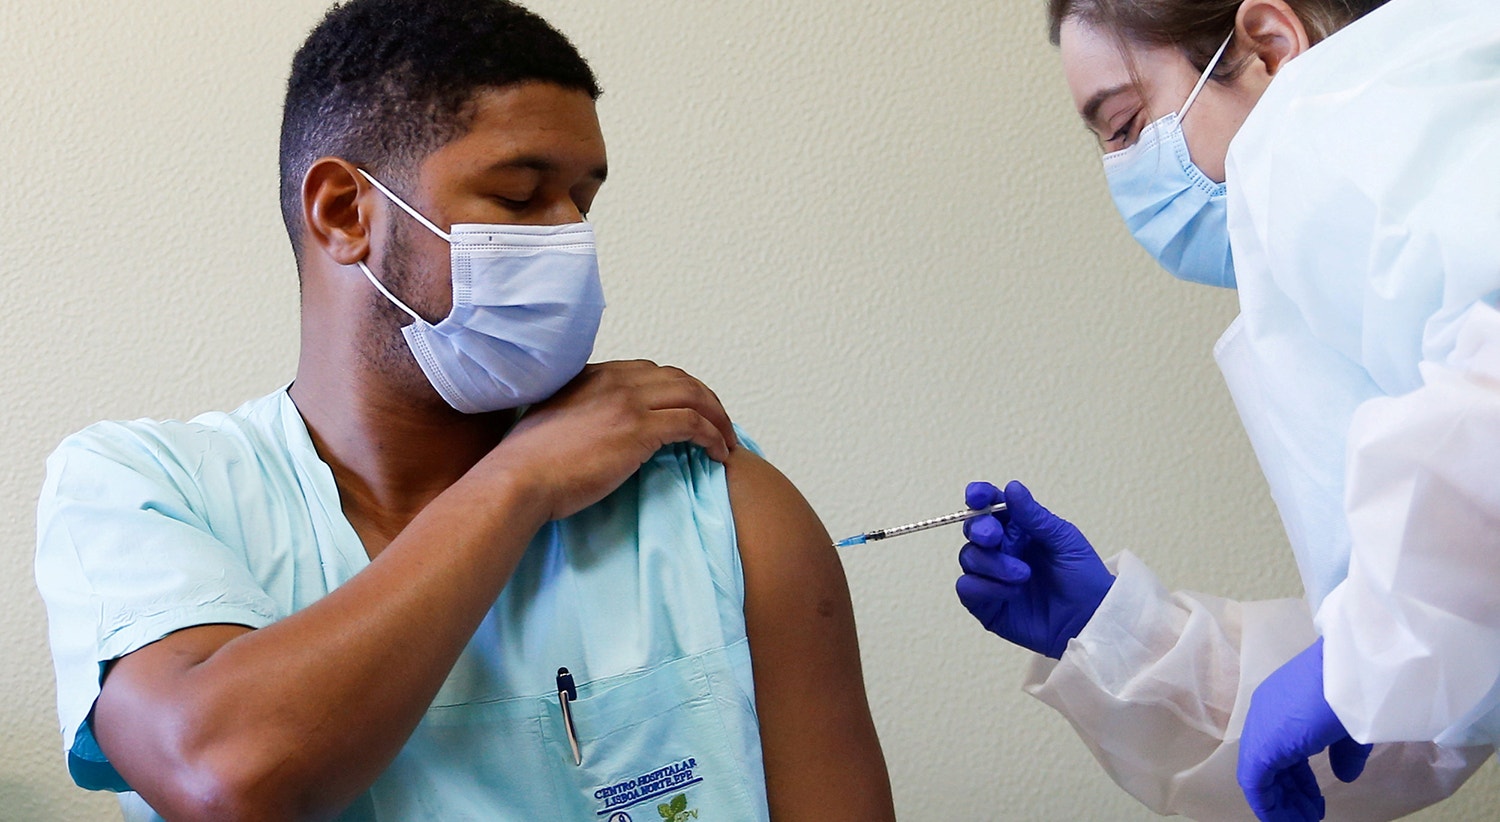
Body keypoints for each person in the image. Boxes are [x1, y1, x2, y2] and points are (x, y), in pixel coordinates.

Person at [33, 2, 895, 820]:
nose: (567, 240)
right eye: (520, 198)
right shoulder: (144, 488)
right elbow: (230, 777)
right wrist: (521, 481)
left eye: (582, 203)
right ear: (343, 212)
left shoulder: (706, 496)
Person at [956, 0, 1500, 819]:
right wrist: (1114, 638)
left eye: (1128, 123)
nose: (1124, 171)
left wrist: (1365, 654)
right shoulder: (1386, 260)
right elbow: (1432, 698)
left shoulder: (1355, 124)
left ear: (1271, 47)